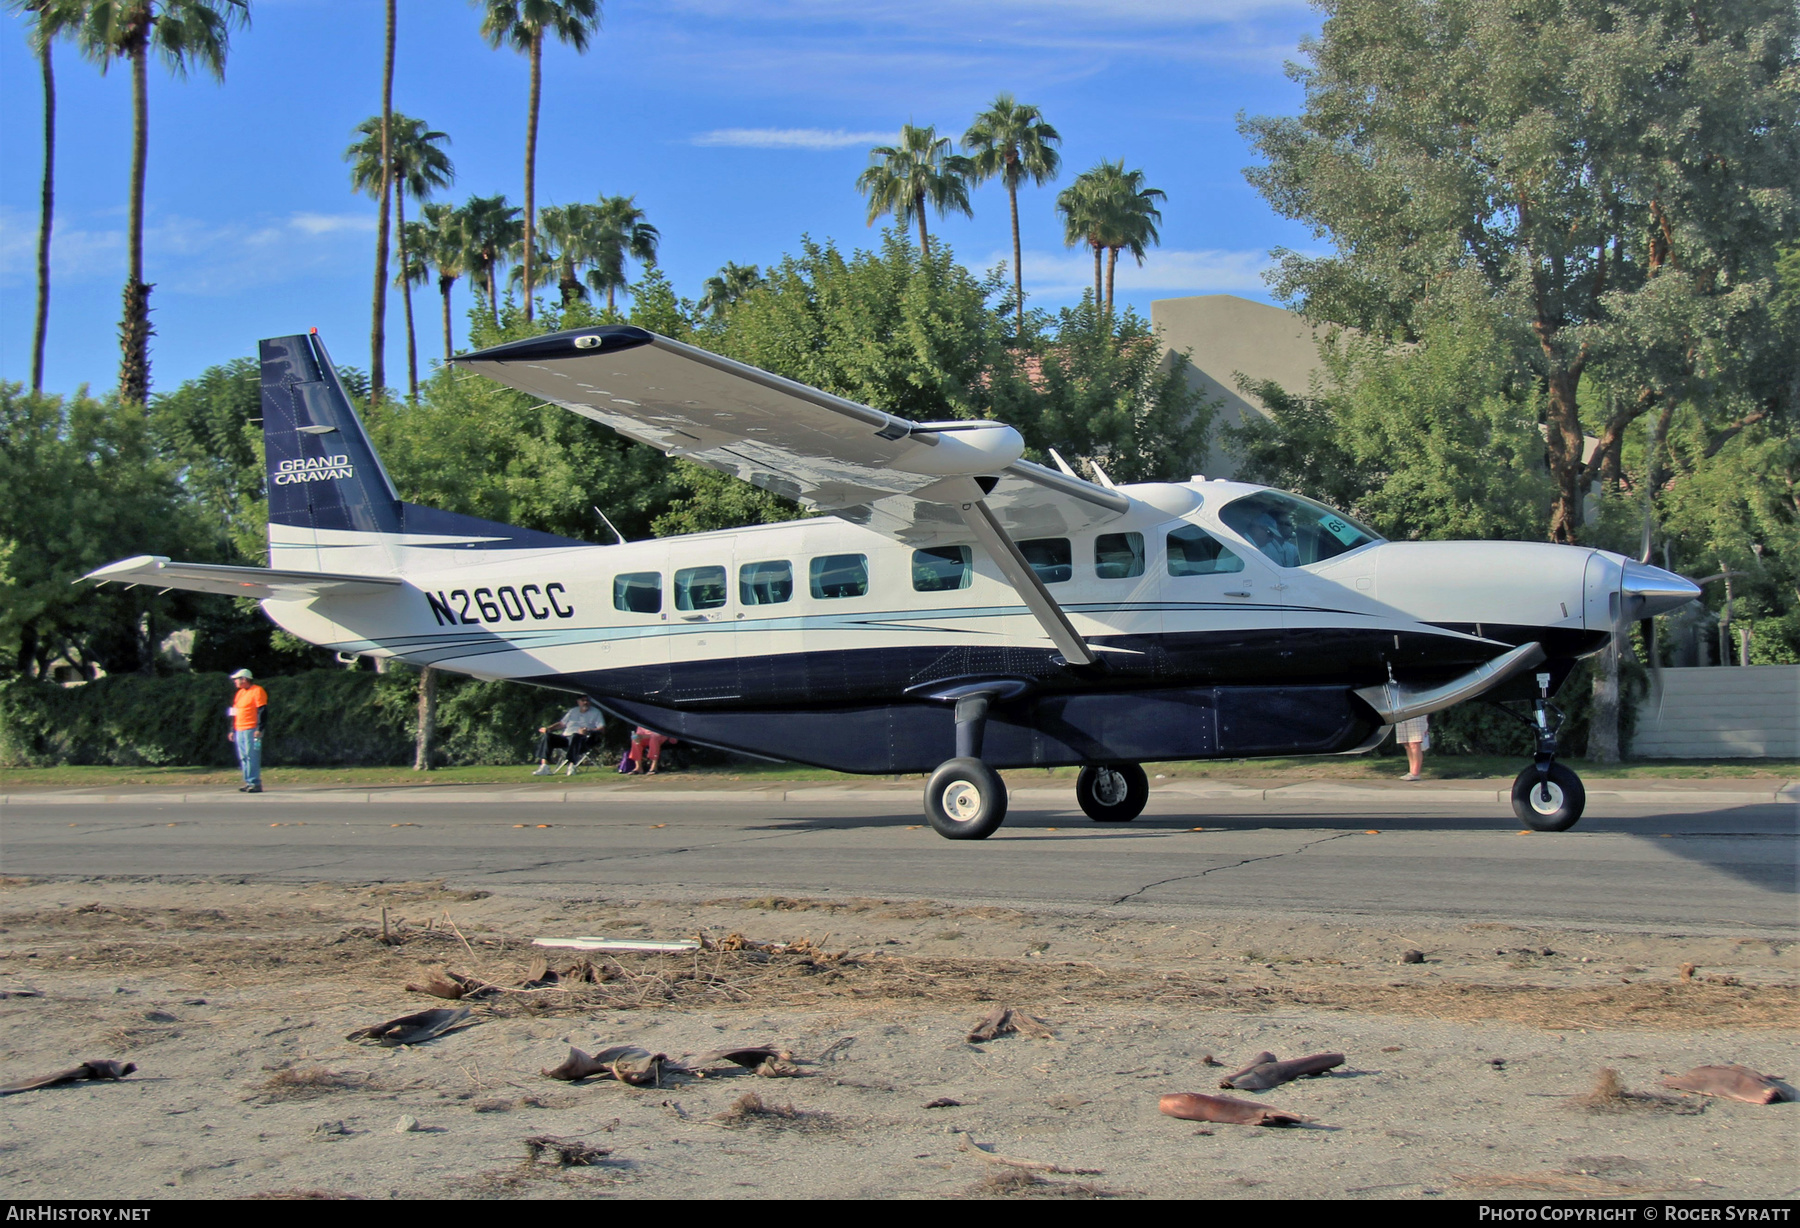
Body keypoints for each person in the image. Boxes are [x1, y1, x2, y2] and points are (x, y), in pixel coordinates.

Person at [533, 696, 606, 775]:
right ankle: (544, 766)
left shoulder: (596, 712)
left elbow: (602, 729)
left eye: (587, 700)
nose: (585, 702)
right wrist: (548, 729)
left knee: (576, 736)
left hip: (584, 740)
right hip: (566, 738)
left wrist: (588, 731)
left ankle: (571, 765)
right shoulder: (573, 711)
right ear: (578, 701)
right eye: (583, 700)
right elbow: (561, 724)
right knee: (548, 736)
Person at [227, 668, 268, 793]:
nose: (235, 682)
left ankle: (255, 782)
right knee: (244, 757)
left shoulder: (257, 691)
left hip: (251, 729)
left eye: (236, 679)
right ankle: (248, 782)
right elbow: (234, 712)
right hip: (239, 729)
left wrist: (259, 728)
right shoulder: (239, 693)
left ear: (244, 679)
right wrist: (232, 729)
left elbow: (262, 710)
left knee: (252, 756)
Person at [1395, 714, 1429, 781]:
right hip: (1401, 711)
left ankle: (1415, 773)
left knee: (1414, 742)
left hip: (1416, 712)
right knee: (1406, 744)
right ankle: (1411, 772)